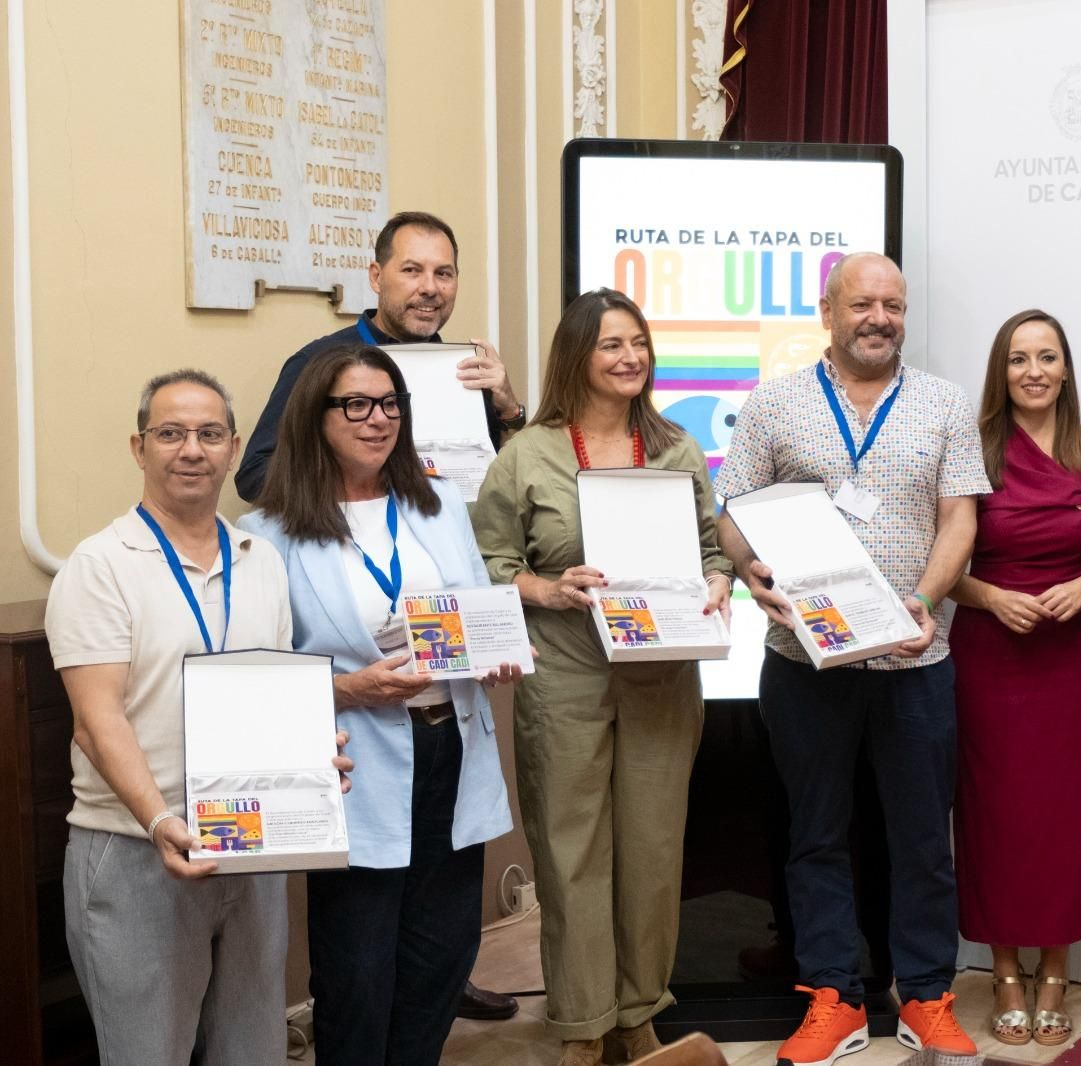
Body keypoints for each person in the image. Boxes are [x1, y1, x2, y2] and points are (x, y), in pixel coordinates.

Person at [714, 252, 991, 1066]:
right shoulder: (775, 403)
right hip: (805, 661)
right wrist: (747, 566)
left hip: (915, 659)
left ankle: (926, 997)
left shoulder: (942, 403)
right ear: (829, 311)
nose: (880, 317)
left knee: (920, 839)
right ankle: (832, 996)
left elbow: (960, 520)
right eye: (864, 303)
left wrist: (927, 602)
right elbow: (733, 510)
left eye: (894, 305)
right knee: (816, 834)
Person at [44, 369, 352, 1066]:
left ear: (234, 447)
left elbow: (271, 696)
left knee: (253, 1049)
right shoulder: (99, 566)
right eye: (172, 433)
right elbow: (97, 724)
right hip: (136, 849)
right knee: (147, 1052)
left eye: (210, 434)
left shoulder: (261, 559)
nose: (192, 449)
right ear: (139, 446)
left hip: (250, 844)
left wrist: (311, 757)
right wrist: (161, 823)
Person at [471, 288, 734, 1066]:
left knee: (653, 855)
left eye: (638, 344)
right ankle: (583, 1025)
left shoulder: (678, 448)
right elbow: (489, 562)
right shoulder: (529, 453)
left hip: (662, 673)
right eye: (611, 344)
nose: (629, 358)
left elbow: (710, 552)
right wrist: (547, 590)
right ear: (577, 357)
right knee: (570, 852)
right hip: (566, 670)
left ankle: (637, 1013)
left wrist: (719, 585)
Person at [240, 346, 517, 1065]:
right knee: (357, 967)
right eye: (355, 405)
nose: (377, 420)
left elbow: (475, 605)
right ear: (316, 417)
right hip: (355, 764)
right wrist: (345, 687)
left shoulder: (438, 502)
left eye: (390, 404)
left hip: (451, 750)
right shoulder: (268, 534)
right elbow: (257, 679)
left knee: (439, 959)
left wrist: (493, 650)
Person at [948, 309, 1081, 1047]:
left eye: (1047, 357)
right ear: (1002, 370)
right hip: (990, 653)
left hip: (1074, 654)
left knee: (1068, 811)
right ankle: (1004, 971)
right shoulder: (970, 451)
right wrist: (992, 598)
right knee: (993, 811)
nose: (1033, 371)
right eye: (1019, 359)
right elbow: (943, 569)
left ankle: (1056, 969)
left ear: (1065, 368)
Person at [236, 210, 526, 506]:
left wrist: (510, 413)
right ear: (376, 277)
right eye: (412, 270)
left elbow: (506, 486)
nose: (429, 288)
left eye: (443, 273)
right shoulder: (317, 362)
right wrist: (359, 477)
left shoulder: (467, 370)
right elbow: (254, 476)